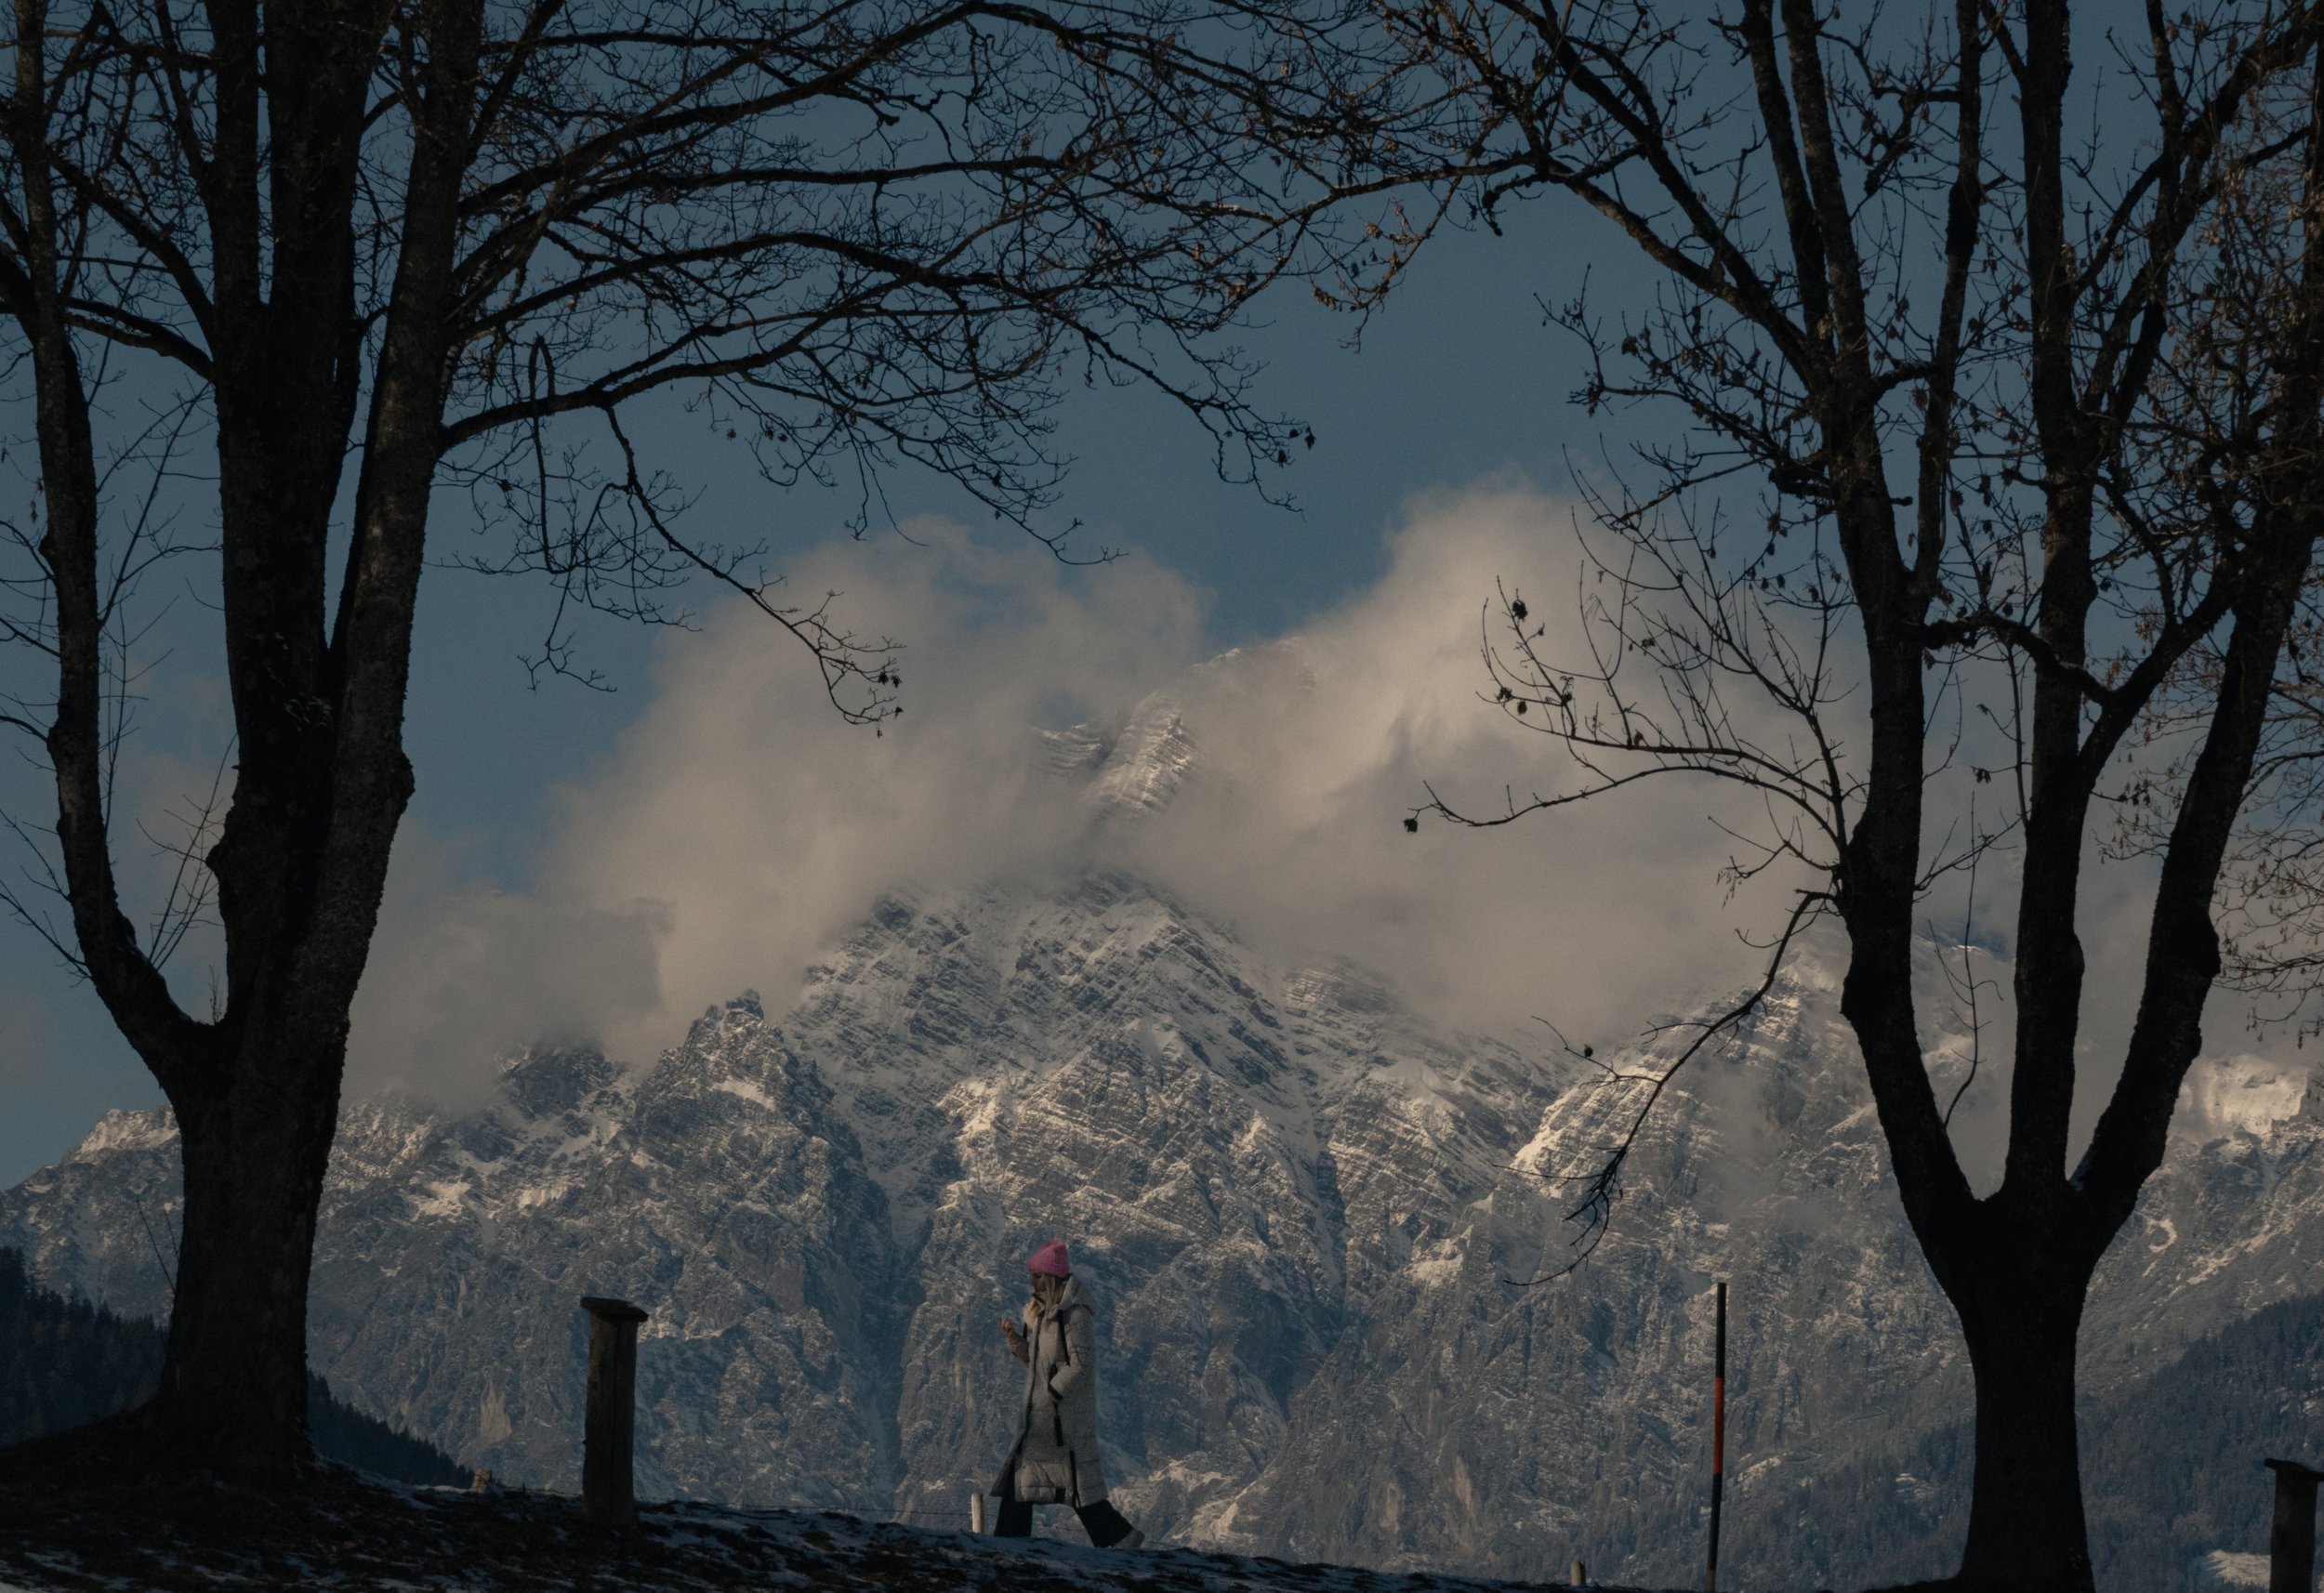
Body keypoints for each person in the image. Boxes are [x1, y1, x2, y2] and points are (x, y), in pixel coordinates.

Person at [989, 1239, 1144, 1548]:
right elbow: (1036, 1364)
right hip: (1043, 1418)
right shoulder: (1040, 1316)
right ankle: (1010, 1541)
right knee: (1035, 1479)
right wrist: (1013, 1340)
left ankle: (1118, 1537)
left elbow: (1082, 1365)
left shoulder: (1075, 1316)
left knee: (1074, 1483)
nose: (1031, 1281)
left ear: (1052, 1277)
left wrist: (1051, 1392)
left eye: (1037, 1275)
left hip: (1064, 1420)